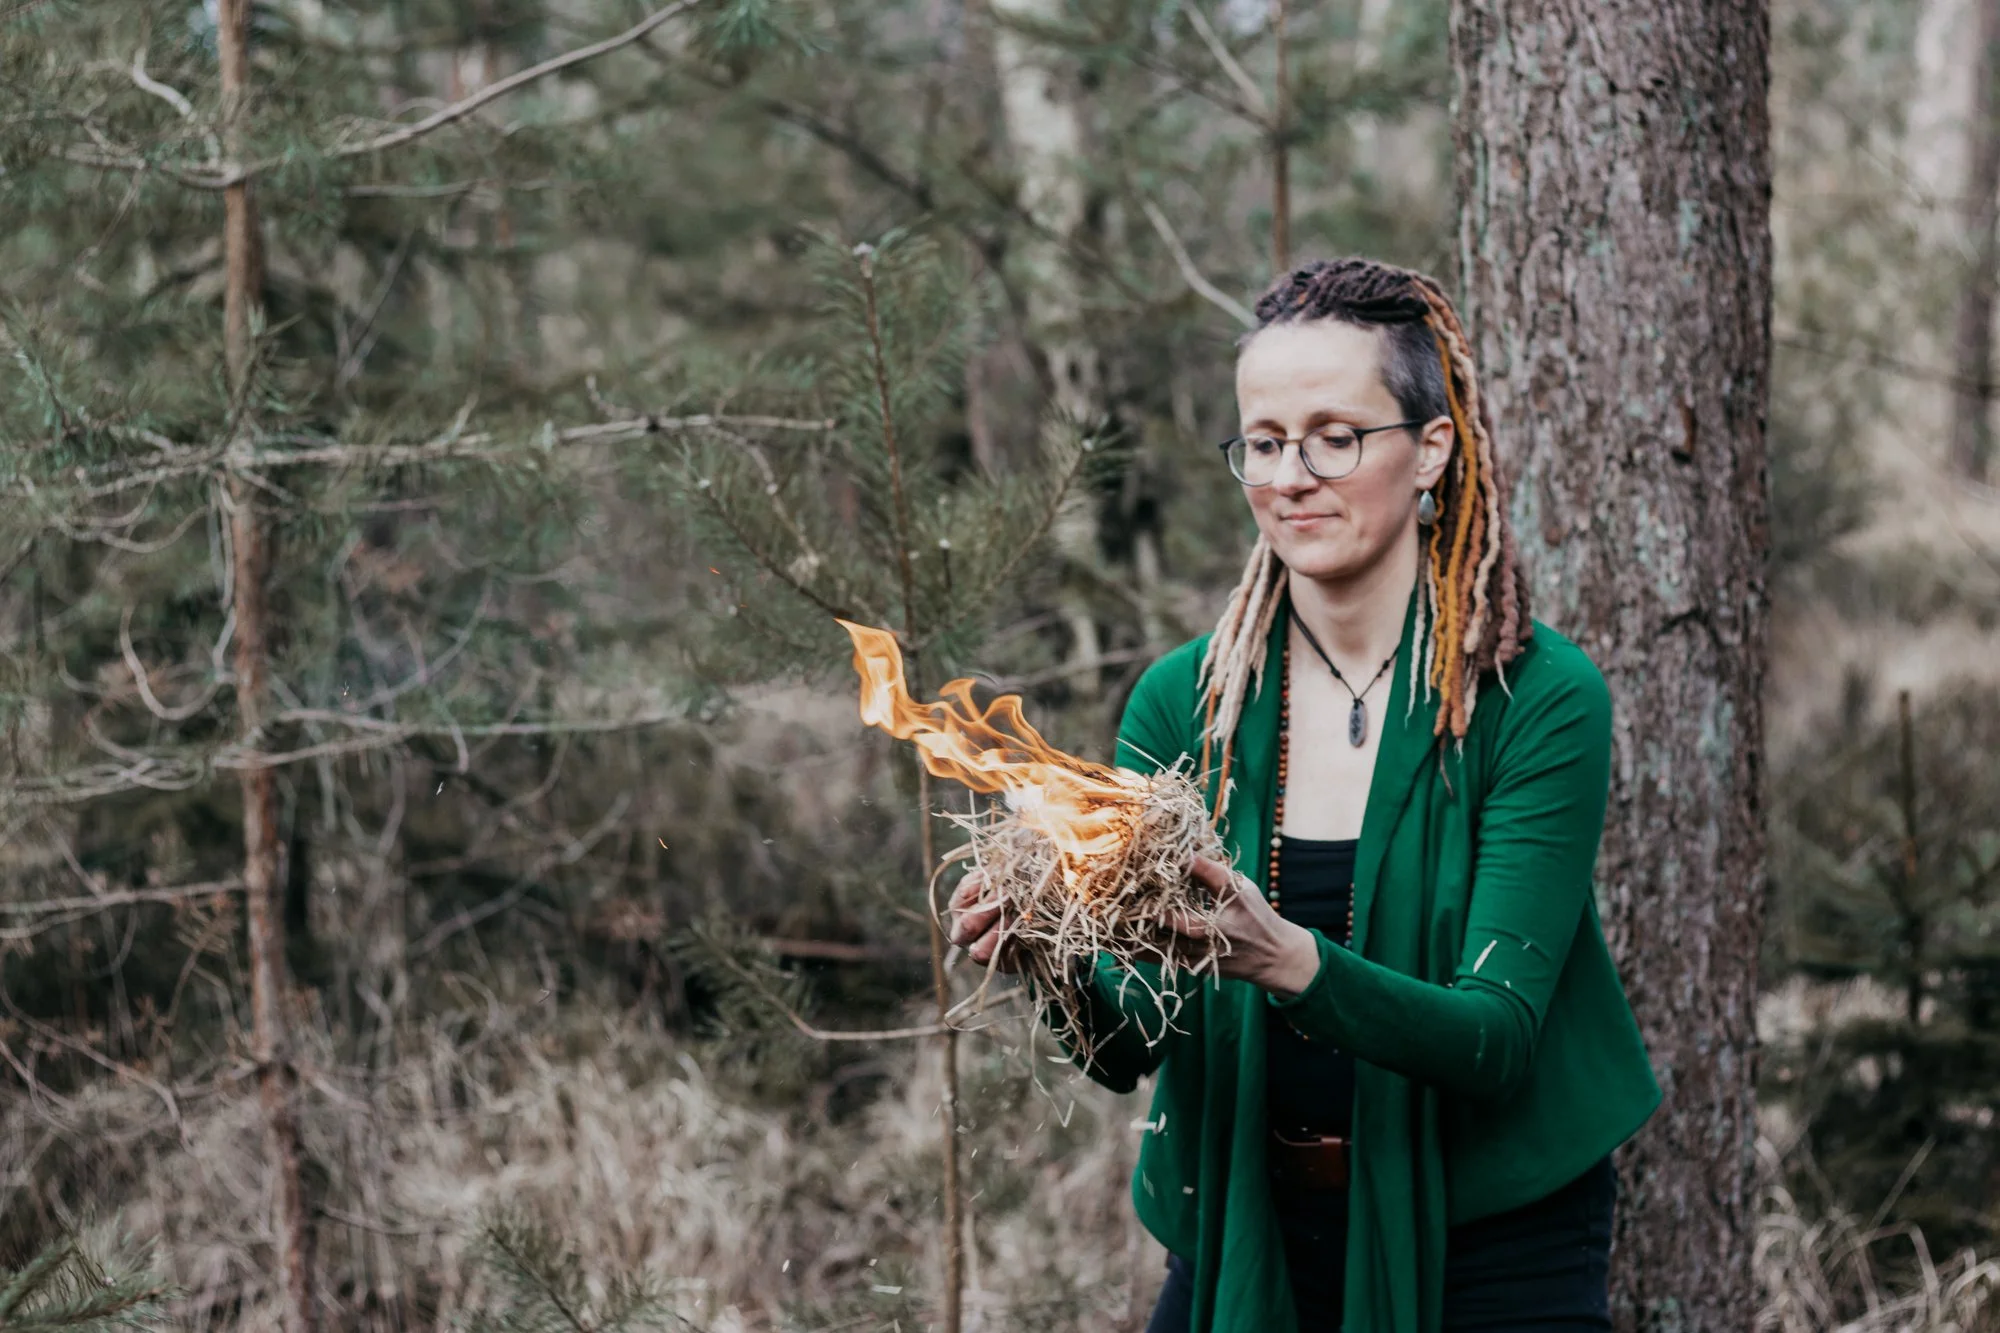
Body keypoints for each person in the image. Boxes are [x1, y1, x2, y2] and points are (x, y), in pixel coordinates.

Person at [947, 258, 1661, 1332]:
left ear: (1428, 449)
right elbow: (1130, 1045)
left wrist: (1282, 958)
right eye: (1265, 442)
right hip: (1244, 1223)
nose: (1290, 476)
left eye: (1335, 434)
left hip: (1492, 1242)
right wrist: (1047, 962)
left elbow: (1495, 1038)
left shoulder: (1532, 699)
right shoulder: (1186, 704)